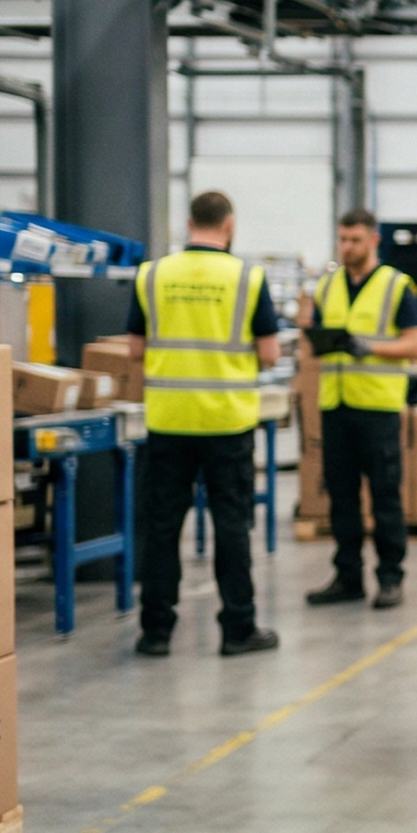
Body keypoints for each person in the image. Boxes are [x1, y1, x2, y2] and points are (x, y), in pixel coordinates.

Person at [128, 191, 281, 658]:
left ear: (189, 223)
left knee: (162, 528)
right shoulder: (248, 278)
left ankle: (156, 632)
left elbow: (135, 350)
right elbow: (270, 354)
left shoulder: (152, 275)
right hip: (226, 423)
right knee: (231, 527)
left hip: (168, 421)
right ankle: (238, 628)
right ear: (228, 226)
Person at [298, 208, 417, 609]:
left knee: (385, 495)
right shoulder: (328, 286)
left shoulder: (396, 286)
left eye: (355, 240)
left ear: (373, 240)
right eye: (342, 239)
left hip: (377, 406)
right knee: (341, 496)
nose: (347, 247)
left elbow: (415, 344)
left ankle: (390, 577)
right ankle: (348, 576)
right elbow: (315, 336)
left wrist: (369, 347)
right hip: (335, 405)